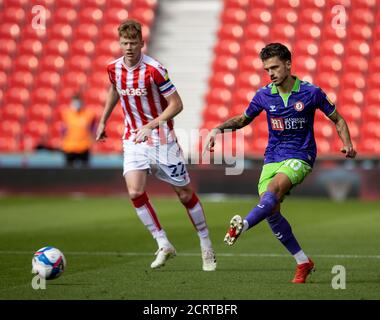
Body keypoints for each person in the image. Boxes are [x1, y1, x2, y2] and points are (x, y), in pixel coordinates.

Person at [203, 43, 357, 283]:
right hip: (272, 157)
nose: (271, 73)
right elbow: (244, 120)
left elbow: (337, 119)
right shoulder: (263, 95)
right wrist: (217, 129)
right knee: (271, 209)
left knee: (273, 190)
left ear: (288, 64)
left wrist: (347, 143)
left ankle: (242, 225)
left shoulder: (311, 92)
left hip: (301, 155)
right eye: (267, 70)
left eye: (274, 67)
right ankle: (302, 261)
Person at [95, 20, 216, 271]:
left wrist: (152, 124)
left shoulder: (155, 69)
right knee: (135, 192)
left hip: (162, 140)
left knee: (184, 194)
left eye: (133, 43)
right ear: (119, 43)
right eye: (124, 43)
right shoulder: (113, 69)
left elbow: (176, 104)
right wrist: (104, 119)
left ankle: (206, 243)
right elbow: (115, 90)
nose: (128, 48)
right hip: (133, 138)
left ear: (142, 43)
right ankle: (163, 242)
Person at [61, 94, 96, 168]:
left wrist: (92, 138)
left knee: (85, 172)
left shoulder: (88, 114)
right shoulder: (66, 114)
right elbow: (63, 129)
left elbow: (93, 128)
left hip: (84, 146)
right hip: (69, 147)